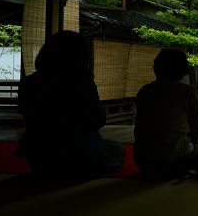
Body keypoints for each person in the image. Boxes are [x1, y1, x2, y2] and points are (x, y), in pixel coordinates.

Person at [15, 30, 125, 180]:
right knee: (118, 149)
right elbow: (97, 120)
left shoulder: (30, 82)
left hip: (39, 157)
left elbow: (27, 116)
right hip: (77, 156)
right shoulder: (82, 82)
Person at [134, 48, 198, 178]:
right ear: (182, 70)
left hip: (143, 160)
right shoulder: (187, 92)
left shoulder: (145, 91)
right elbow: (195, 129)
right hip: (176, 159)